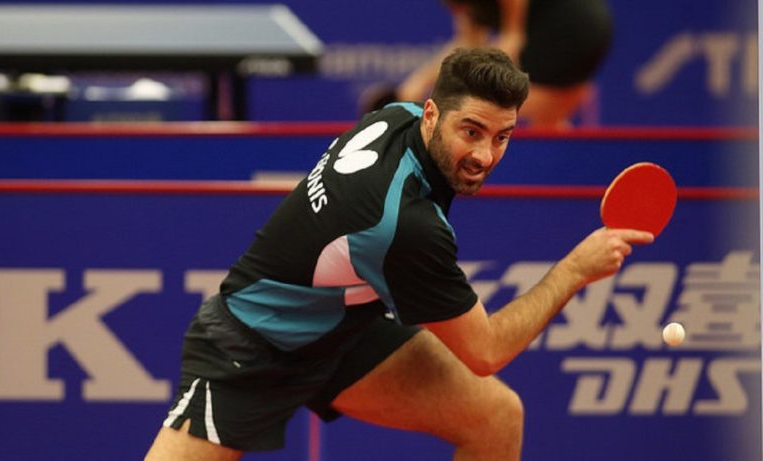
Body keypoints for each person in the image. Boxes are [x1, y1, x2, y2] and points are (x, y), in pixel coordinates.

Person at [146, 48, 652, 461]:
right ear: (432, 115)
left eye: (502, 138)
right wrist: (574, 269)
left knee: (496, 417)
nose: (484, 155)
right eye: (471, 131)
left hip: (342, 332)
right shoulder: (404, 226)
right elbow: (486, 351)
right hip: (252, 346)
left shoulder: (397, 116)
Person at [364, 0, 613, 128]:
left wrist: (468, 90)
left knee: (489, 105)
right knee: (546, 123)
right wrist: (416, 83)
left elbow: (512, 40)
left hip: (574, 28)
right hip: (549, 33)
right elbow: (467, 44)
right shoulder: (462, 4)